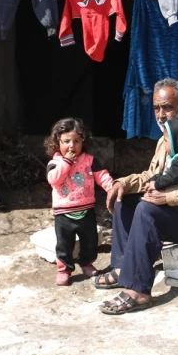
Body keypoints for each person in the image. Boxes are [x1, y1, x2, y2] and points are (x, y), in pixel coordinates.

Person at [94, 79, 178, 314]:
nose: (160, 114)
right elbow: (153, 175)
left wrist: (171, 196)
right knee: (125, 201)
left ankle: (138, 290)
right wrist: (124, 183)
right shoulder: (167, 137)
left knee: (147, 210)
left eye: (167, 107)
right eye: (157, 108)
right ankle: (122, 268)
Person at [45, 117, 114, 286]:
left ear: (84, 141)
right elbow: (54, 180)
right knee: (64, 244)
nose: (71, 146)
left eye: (76, 141)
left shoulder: (90, 161)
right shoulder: (55, 162)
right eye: (66, 141)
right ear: (57, 142)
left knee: (89, 241)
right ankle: (64, 270)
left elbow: (102, 176)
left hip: (86, 210)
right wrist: (67, 162)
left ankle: (87, 263)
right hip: (63, 213)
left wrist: (112, 188)